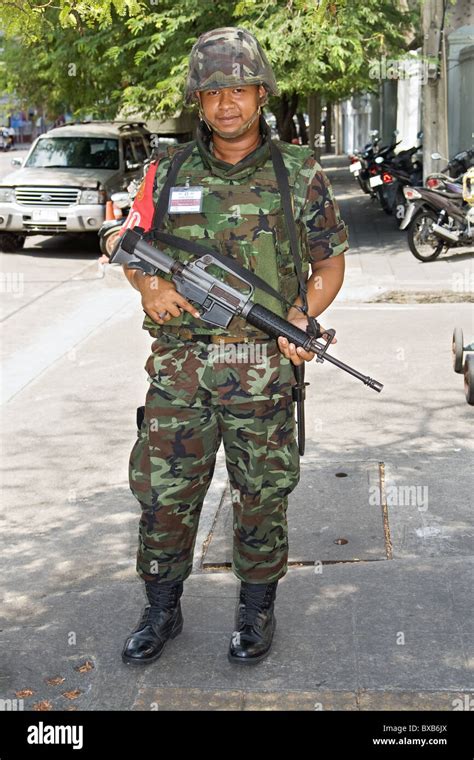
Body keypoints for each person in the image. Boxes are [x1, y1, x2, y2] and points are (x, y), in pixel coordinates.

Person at [120, 26, 348, 667]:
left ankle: (255, 613)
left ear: (261, 94)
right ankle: (160, 609)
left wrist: (303, 314)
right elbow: (127, 242)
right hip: (179, 374)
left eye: (239, 89)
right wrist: (148, 285)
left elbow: (329, 263)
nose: (226, 103)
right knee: (164, 497)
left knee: (262, 497)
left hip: (263, 372)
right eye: (213, 90)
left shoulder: (297, 172)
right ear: (198, 99)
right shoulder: (165, 172)